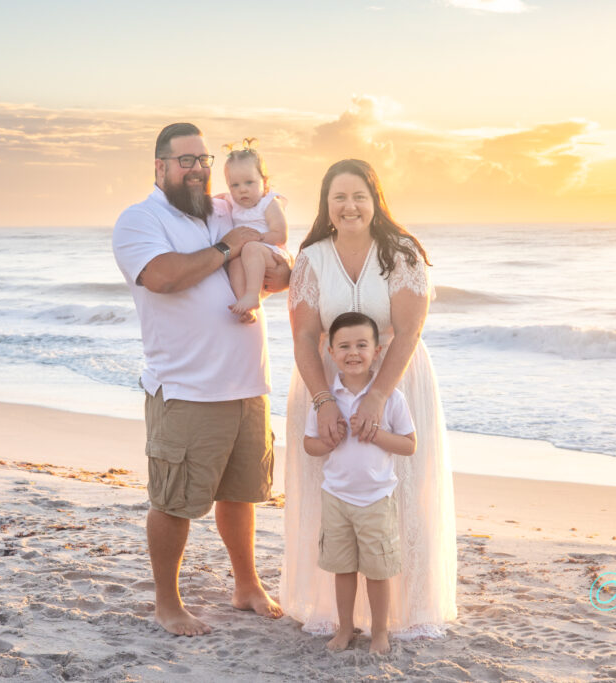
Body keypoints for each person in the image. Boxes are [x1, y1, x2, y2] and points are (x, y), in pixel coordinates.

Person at [112, 122, 290, 636]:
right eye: (185, 160)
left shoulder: (222, 210)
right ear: (160, 166)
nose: (197, 170)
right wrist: (228, 249)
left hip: (247, 382)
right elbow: (164, 277)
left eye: (203, 160)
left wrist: (275, 263)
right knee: (174, 501)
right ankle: (168, 604)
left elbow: (272, 257)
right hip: (186, 387)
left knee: (240, 493)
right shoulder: (140, 219)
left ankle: (246, 584)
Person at [283, 159, 457, 639]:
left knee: (401, 489)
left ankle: (405, 611)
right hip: (327, 382)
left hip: (398, 380)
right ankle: (336, 613)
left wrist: (380, 395)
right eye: (338, 197)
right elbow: (302, 338)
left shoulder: (401, 254)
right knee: (333, 488)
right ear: (327, 206)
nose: (349, 205)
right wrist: (323, 399)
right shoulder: (313, 258)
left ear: (374, 199)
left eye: (358, 195)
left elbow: (407, 330)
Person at [304, 312, 416, 655]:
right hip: (336, 496)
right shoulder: (326, 400)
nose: (354, 352)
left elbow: (409, 445)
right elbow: (309, 444)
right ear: (331, 351)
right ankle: (344, 628)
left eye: (362, 345)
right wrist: (329, 440)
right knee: (343, 568)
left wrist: (377, 434)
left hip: (376, 497)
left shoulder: (390, 398)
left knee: (378, 570)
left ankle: (379, 631)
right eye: (345, 346)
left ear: (378, 351)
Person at [222, 142, 290, 322]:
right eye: (234, 185)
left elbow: (280, 234)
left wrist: (257, 239)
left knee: (250, 248)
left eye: (249, 182)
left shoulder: (269, 203)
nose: (242, 189)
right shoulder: (232, 202)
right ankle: (245, 304)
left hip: (270, 253)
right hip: (249, 256)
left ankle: (253, 296)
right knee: (235, 262)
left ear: (264, 182)